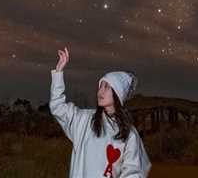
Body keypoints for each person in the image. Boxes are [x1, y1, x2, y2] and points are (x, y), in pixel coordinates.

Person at [50, 46, 151, 178]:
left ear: (117, 94)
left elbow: (133, 172)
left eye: (106, 87)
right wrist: (58, 72)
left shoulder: (129, 134)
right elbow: (57, 106)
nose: (100, 91)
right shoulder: (84, 120)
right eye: (100, 86)